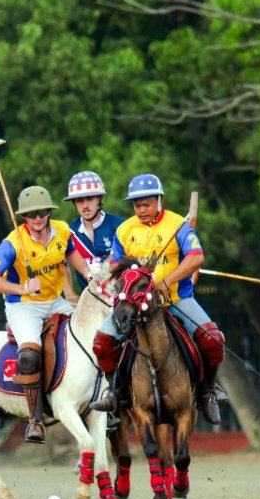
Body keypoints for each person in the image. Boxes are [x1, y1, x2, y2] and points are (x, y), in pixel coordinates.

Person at [90, 174, 225, 425]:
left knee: (214, 340)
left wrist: (166, 281)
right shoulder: (125, 230)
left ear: (159, 200)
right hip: (135, 305)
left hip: (175, 300)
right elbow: (115, 266)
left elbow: (195, 257)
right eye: (136, 205)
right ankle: (115, 392)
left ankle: (208, 392)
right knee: (102, 342)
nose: (141, 210)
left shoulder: (178, 225)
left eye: (146, 204)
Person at [0, 185, 94, 443]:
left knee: (93, 333)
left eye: (42, 212)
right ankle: (35, 420)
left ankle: (100, 399)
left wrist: (87, 273)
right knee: (30, 356)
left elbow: (71, 252)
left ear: (49, 212)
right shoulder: (12, 243)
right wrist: (22, 288)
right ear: (24, 217)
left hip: (54, 301)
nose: (38, 218)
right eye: (32, 214)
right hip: (23, 306)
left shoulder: (63, 230)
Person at [64, 170, 125, 293]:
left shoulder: (121, 226)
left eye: (90, 198)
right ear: (74, 203)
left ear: (100, 198)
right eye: (79, 200)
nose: (85, 206)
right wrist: (70, 295)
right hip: (88, 301)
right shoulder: (68, 232)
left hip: (120, 299)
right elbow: (60, 265)